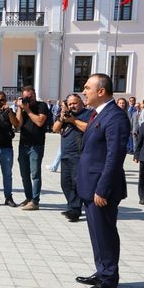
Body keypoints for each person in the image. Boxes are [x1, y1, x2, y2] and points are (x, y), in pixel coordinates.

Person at [75, 73, 130, 288]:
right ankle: (102, 270)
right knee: (96, 233)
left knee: (105, 233)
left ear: (101, 91)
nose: (83, 91)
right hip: (91, 185)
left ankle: (109, 280)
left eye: (88, 88)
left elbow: (115, 156)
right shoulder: (98, 114)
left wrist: (102, 188)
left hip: (101, 189)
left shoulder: (115, 117)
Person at [52, 94, 91, 222]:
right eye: (70, 104)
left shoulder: (88, 114)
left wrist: (73, 121)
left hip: (79, 155)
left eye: (75, 103)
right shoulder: (66, 114)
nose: (72, 106)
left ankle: (74, 210)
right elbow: (55, 129)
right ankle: (73, 207)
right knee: (65, 184)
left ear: (81, 103)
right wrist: (62, 119)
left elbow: (89, 129)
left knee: (76, 184)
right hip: (65, 154)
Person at [15, 85, 49, 210]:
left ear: (34, 94)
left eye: (30, 96)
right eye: (25, 97)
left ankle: (35, 201)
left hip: (36, 145)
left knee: (35, 174)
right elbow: (18, 125)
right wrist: (20, 108)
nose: (28, 99)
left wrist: (27, 110)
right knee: (24, 174)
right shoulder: (23, 107)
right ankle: (29, 197)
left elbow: (40, 122)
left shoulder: (42, 106)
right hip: (23, 145)